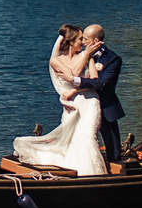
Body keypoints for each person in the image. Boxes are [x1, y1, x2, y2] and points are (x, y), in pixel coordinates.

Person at [13, 25, 108, 175]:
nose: (83, 42)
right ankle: (74, 171)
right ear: (70, 41)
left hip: (90, 102)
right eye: (80, 39)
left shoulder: (87, 56)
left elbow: (94, 81)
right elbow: (75, 73)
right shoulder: (56, 61)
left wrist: (74, 90)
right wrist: (85, 56)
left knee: (88, 136)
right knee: (73, 139)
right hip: (74, 105)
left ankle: (90, 174)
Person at [78, 23, 124, 166]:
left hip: (105, 104)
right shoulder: (80, 54)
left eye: (85, 39)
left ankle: (115, 164)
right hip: (84, 103)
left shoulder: (112, 59)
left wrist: (77, 82)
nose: (82, 42)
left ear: (95, 41)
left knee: (111, 141)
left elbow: (102, 83)